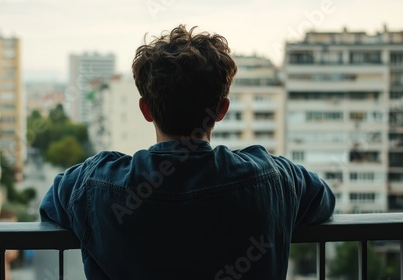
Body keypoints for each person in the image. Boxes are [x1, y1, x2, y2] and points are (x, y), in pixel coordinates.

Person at [39, 24, 335, 280]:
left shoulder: (98, 185)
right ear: (221, 110)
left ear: (146, 110)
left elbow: (51, 205)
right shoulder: (271, 178)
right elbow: (323, 201)